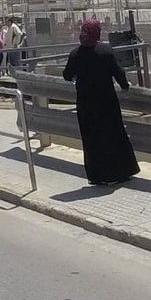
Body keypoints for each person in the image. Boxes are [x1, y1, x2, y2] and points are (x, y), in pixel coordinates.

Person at [62, 18, 139, 186]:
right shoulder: (105, 51)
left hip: (85, 104)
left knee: (91, 140)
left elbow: (67, 75)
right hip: (106, 102)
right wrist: (125, 86)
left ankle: (96, 176)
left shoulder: (75, 54)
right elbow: (118, 72)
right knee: (113, 135)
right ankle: (120, 172)